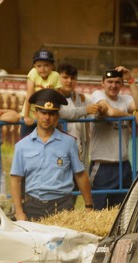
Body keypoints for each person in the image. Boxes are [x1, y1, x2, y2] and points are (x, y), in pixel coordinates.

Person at [10, 88, 93, 221]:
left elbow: (80, 174)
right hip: (32, 206)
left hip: (62, 205)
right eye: (43, 112)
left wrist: (89, 206)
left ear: (57, 116)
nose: (47, 117)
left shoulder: (69, 142)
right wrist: (19, 211)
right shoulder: (22, 146)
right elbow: (16, 179)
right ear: (35, 113)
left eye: (51, 113)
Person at [86, 67, 137, 209]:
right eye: (109, 81)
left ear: (122, 84)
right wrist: (130, 116)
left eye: (117, 82)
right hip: (102, 165)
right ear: (102, 83)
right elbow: (110, 111)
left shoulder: (126, 99)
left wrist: (131, 80)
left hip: (124, 164)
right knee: (99, 211)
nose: (113, 85)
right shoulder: (97, 94)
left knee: (122, 210)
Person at [21, 49, 60, 133]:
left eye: (46, 65)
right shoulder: (33, 73)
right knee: (26, 140)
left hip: (47, 116)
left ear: (52, 66)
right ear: (34, 66)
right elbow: (29, 95)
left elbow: (57, 98)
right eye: (39, 66)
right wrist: (26, 116)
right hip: (31, 113)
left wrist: (57, 117)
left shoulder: (55, 75)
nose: (43, 69)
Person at [56, 63, 89, 161]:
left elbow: (96, 109)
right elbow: (60, 113)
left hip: (78, 148)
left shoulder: (81, 98)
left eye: (73, 78)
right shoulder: (53, 97)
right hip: (58, 150)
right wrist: (85, 110)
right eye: (65, 77)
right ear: (57, 78)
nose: (69, 81)